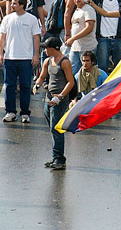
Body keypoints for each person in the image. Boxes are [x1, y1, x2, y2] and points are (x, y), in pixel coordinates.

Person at [33, 36, 75, 171]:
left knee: (56, 129)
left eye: (46, 48)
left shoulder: (65, 62)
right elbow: (42, 76)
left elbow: (71, 82)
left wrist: (61, 96)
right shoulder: (47, 61)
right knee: (52, 127)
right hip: (49, 97)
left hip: (59, 100)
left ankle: (59, 158)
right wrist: (37, 84)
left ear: (53, 48)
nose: (44, 50)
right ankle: (56, 157)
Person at [0, 0, 41, 123]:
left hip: (26, 58)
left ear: (22, 5)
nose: (12, 5)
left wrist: (36, 55)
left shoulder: (32, 19)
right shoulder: (7, 19)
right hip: (10, 57)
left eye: (15, 3)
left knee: (25, 86)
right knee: (9, 86)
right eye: (12, 3)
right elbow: (2, 37)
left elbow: (36, 37)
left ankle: (25, 113)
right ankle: (10, 112)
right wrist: (0, 54)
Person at [65, 0, 98, 75]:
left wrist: (73, 38)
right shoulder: (77, 10)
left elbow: (89, 28)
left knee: (88, 74)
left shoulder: (88, 9)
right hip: (75, 47)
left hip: (87, 47)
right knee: (72, 73)